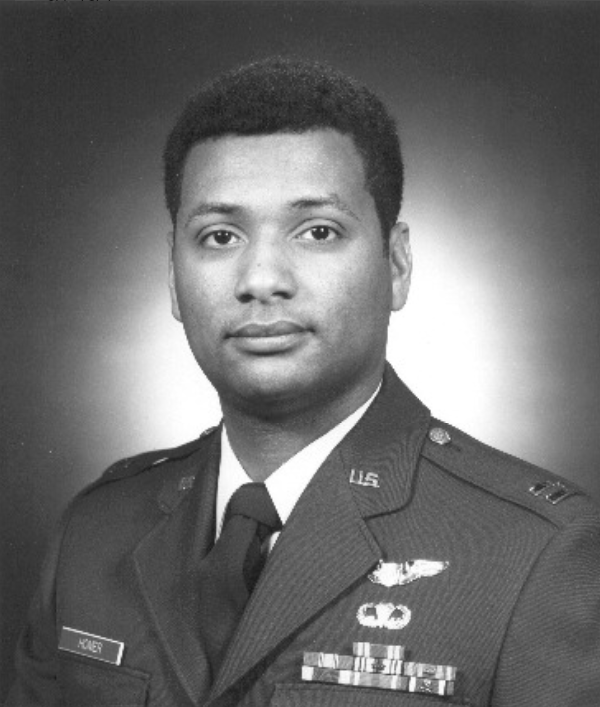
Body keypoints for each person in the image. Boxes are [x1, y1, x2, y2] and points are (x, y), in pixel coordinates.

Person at [6, 57, 600, 707]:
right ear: (173, 276)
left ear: (396, 263)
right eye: (220, 234)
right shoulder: (95, 532)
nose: (262, 278)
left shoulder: (540, 556)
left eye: (317, 231)